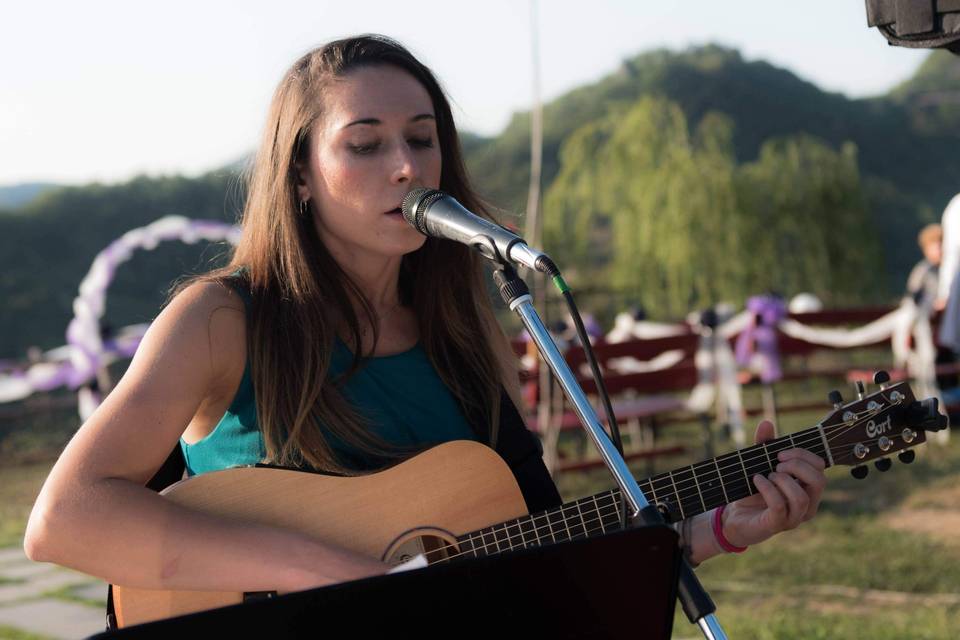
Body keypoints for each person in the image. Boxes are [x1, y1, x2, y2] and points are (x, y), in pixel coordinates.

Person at [25, 35, 826, 599]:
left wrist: (717, 530)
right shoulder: (220, 318)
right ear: (300, 174)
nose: (407, 165)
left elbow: (538, 544)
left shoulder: (469, 333)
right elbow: (65, 520)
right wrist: (343, 578)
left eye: (422, 138)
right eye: (364, 144)